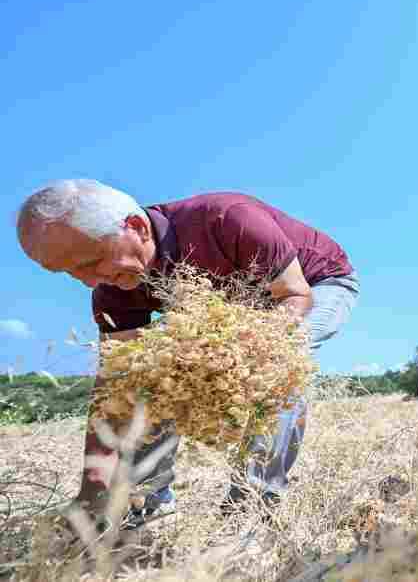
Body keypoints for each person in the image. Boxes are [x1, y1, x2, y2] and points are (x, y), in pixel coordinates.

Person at [16, 180, 359, 527]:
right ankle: (144, 508)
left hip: (313, 285)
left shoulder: (228, 219)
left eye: (92, 262)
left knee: (278, 360)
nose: (90, 282)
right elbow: (114, 387)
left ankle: (250, 510)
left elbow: (294, 296)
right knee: (149, 373)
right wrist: (92, 488)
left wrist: (229, 352)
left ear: (135, 227)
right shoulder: (112, 287)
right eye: (71, 273)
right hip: (230, 310)